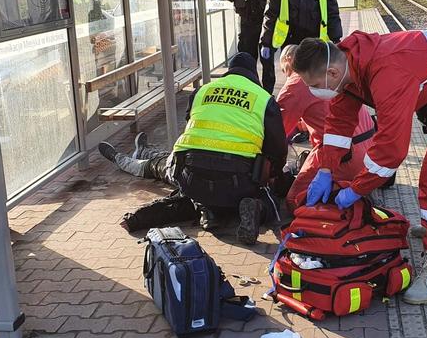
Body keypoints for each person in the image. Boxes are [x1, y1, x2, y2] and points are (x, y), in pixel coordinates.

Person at [292, 31, 427, 304]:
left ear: (332, 73)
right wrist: (325, 170)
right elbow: (338, 125)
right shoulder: (349, 66)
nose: (313, 90)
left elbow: (391, 151)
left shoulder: (388, 70)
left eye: (313, 84)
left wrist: (357, 189)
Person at [168, 52, 287, 245]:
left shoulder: (202, 91)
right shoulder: (263, 98)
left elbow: (191, 122)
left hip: (191, 178)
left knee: (210, 184)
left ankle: (209, 211)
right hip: (239, 182)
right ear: (253, 75)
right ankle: (257, 208)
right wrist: (273, 175)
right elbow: (277, 149)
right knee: (270, 201)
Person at [276, 45, 380, 212]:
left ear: (289, 61)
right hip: (369, 152)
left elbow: (277, 130)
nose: (286, 75)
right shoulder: (333, 73)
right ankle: (356, 187)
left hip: (345, 156)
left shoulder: (296, 82)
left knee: (294, 200)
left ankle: (343, 199)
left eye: (284, 70)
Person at [221, 0, 280, 88]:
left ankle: (267, 93)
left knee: (267, 62)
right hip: (247, 24)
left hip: (267, 24)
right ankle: (250, 89)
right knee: (246, 61)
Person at [98, 132, 175, 186]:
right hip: (181, 163)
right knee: (167, 157)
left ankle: (116, 158)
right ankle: (143, 153)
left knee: (144, 167)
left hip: (177, 172)